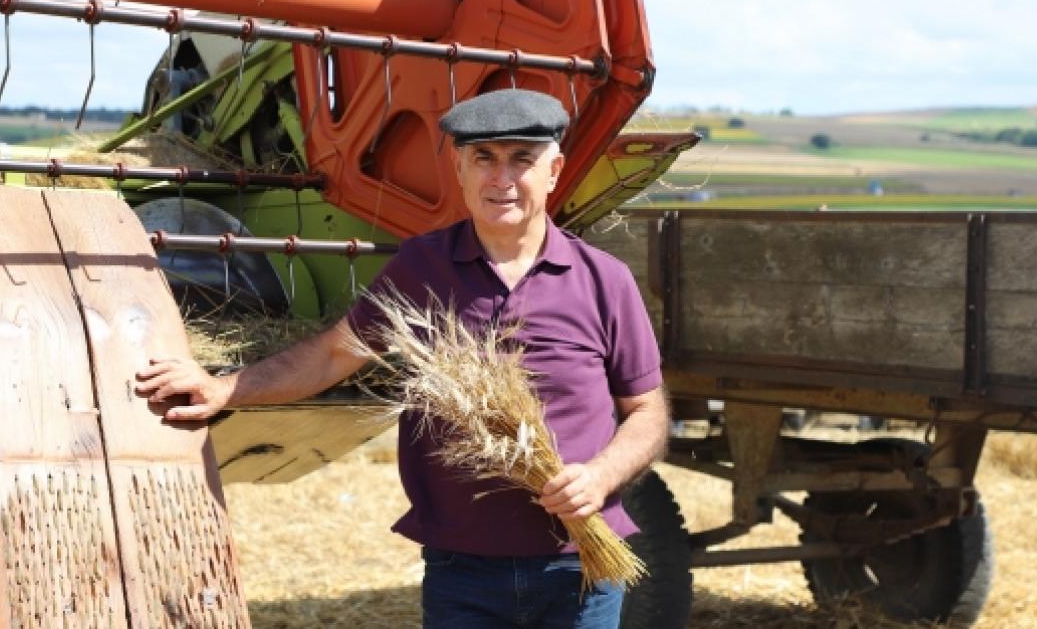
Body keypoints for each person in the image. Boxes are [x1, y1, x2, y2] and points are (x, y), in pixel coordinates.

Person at [135, 88, 670, 628]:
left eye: (521, 159)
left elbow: (647, 411)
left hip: (579, 568)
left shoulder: (604, 280)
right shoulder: (423, 268)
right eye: (483, 158)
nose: (501, 178)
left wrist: (600, 476)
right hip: (463, 572)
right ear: (459, 170)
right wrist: (225, 387)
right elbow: (333, 356)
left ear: (554, 171)